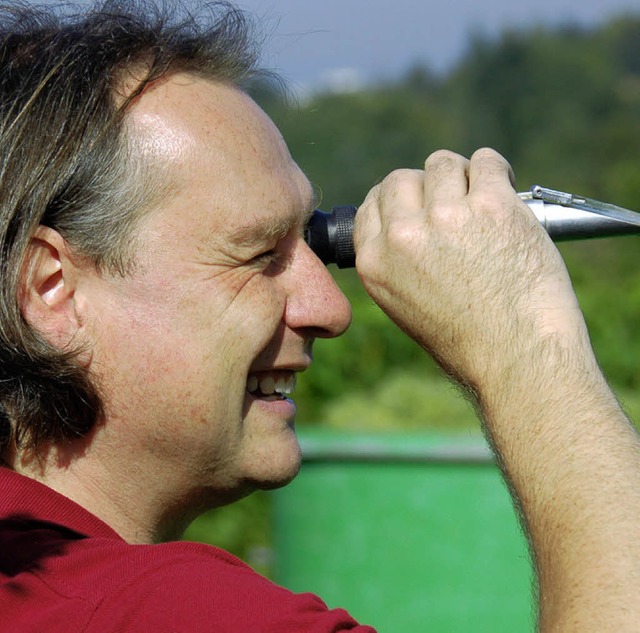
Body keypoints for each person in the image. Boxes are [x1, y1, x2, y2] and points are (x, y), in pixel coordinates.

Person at [0, 1, 639, 632]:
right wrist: (524, 345)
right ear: (50, 286)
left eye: (310, 244)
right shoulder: (164, 612)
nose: (330, 311)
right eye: (258, 254)